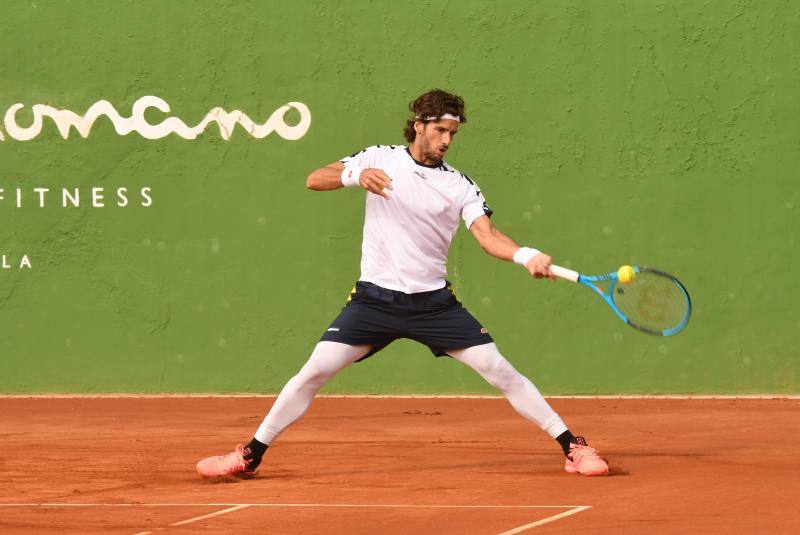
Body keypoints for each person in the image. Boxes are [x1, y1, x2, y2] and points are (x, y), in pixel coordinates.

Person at [196, 89, 609, 478]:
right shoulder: (379, 157)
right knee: (312, 372)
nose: (447, 140)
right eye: (440, 130)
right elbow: (315, 178)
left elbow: (487, 235)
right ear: (418, 125)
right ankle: (250, 455)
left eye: (453, 133)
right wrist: (354, 176)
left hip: (433, 305)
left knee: (500, 371)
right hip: (373, 302)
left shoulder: (460, 185)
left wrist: (524, 254)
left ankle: (574, 447)